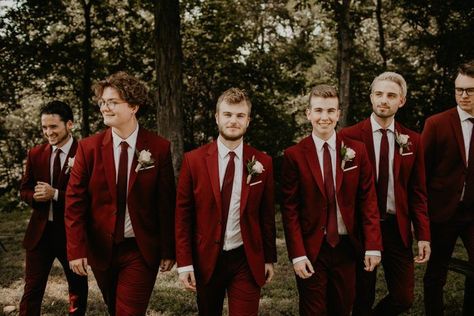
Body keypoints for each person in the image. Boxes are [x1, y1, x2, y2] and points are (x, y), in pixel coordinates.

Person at [65, 71, 176, 315]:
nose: (105, 108)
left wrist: (169, 249)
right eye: (102, 102)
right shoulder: (88, 148)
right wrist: (76, 250)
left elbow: (166, 203)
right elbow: (74, 203)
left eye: (112, 102)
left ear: (134, 106)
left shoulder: (158, 148)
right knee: (115, 308)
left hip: (140, 248)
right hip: (101, 248)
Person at [281, 84, 382, 316]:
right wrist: (297, 254)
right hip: (312, 248)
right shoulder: (294, 155)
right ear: (308, 114)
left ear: (338, 114)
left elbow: (368, 201)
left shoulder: (357, 150)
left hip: (348, 246)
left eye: (330, 111)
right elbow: (290, 210)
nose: (324, 117)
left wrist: (374, 245)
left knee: (342, 307)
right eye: (318, 110)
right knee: (313, 311)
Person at [175, 88, 276, 316]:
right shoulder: (194, 161)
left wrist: (269, 258)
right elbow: (183, 216)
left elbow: (266, 215)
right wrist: (185, 263)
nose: (233, 121)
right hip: (206, 258)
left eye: (240, 116)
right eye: (228, 114)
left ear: (248, 121)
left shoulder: (263, 163)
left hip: (246, 258)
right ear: (217, 117)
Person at [340, 72, 431, 315]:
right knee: (362, 296)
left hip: (396, 227)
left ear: (401, 101)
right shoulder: (347, 137)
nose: (384, 100)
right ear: (371, 97)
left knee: (404, 298)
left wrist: (423, 234)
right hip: (361, 228)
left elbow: (418, 192)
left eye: (391, 95)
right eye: (379, 94)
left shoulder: (413, 140)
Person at [19, 100, 88, 315]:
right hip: (40, 233)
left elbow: (91, 198)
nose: (48, 132)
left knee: (77, 289)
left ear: (70, 124)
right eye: (44, 127)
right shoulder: (36, 153)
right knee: (32, 289)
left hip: (71, 234)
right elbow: (24, 189)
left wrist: (55, 194)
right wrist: (35, 196)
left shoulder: (86, 153)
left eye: (53, 127)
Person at [422, 60, 474, 316]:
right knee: (436, 273)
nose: (463, 95)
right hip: (442, 211)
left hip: (472, 213)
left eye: (470, 90)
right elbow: (422, 172)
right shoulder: (436, 123)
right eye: (459, 89)